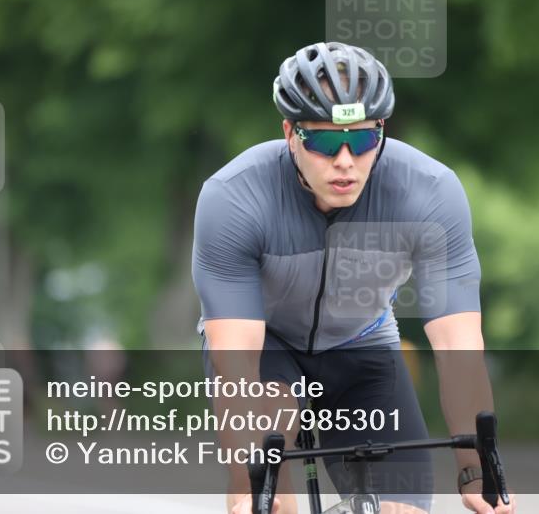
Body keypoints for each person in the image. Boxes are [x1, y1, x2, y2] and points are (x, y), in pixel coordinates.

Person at [193, 42, 514, 514]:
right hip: (268, 351)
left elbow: (458, 349)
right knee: (266, 493)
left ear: (381, 131)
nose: (345, 160)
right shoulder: (233, 198)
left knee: (402, 508)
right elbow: (236, 363)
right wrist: (251, 477)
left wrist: (475, 467)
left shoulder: (430, 193)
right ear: (289, 132)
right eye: (324, 142)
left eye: (362, 140)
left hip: (362, 344)